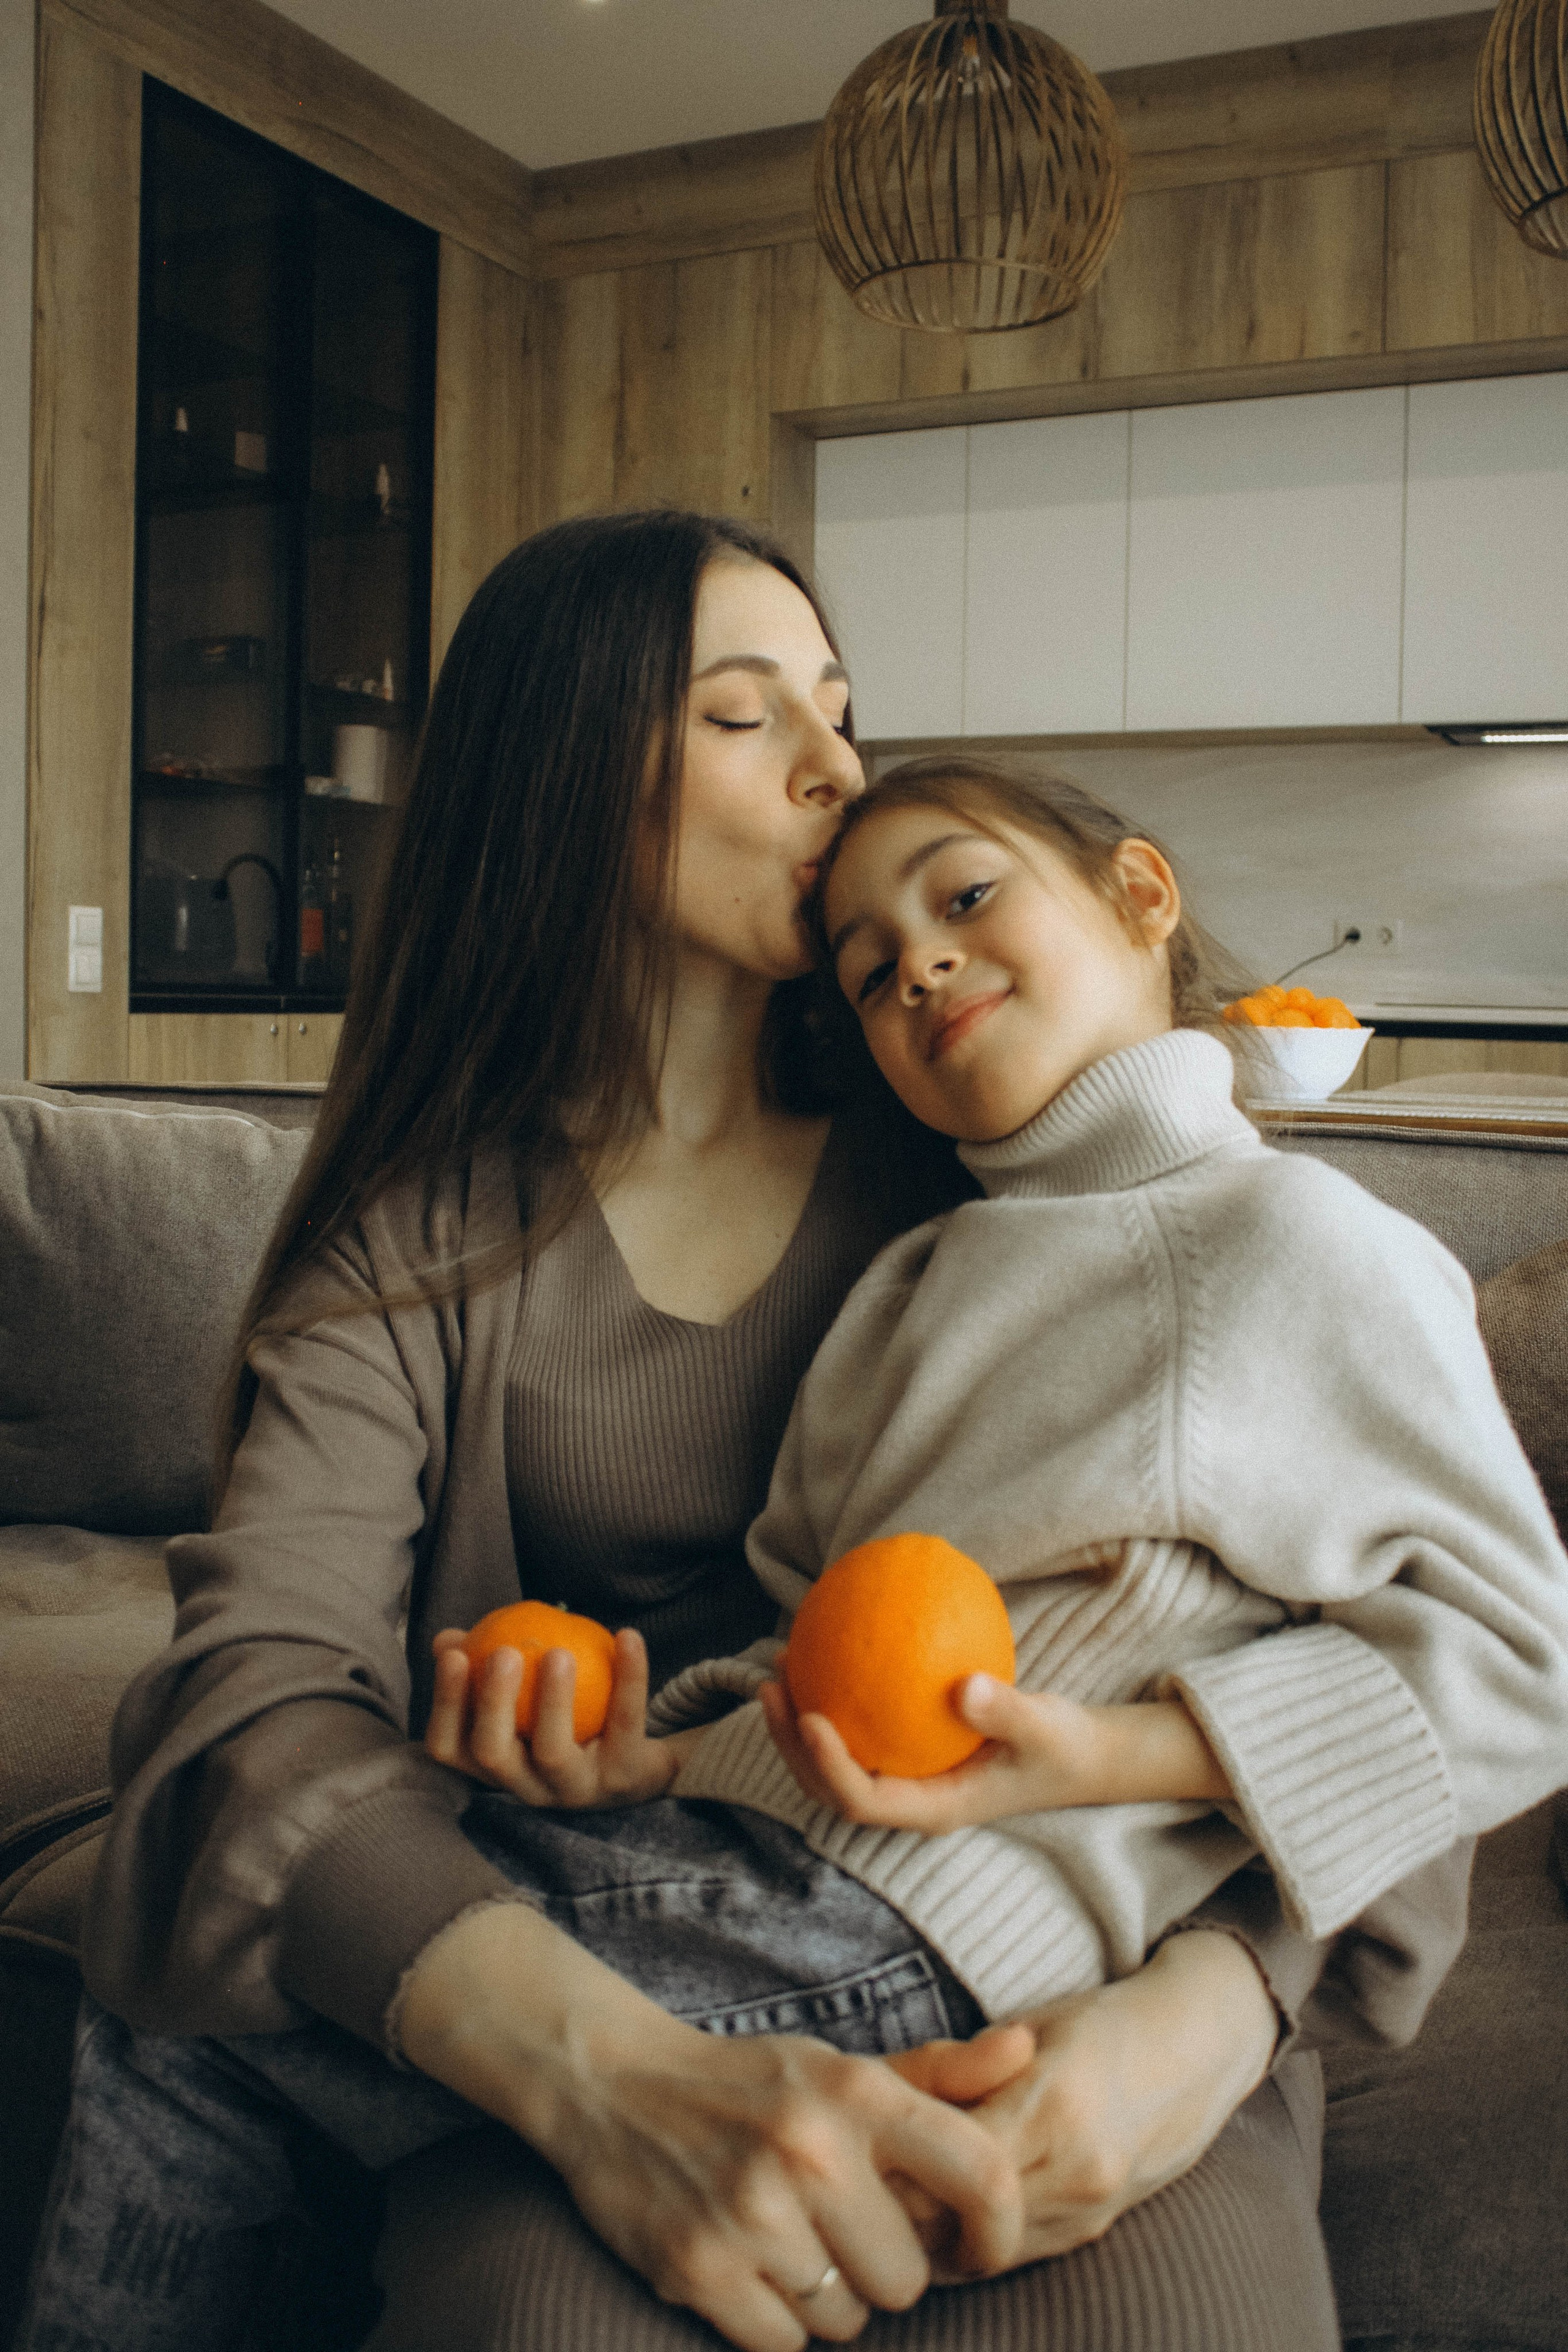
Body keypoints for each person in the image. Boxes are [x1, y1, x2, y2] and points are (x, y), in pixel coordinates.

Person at [21, 515, 1479, 2352]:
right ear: (565, 775)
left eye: (842, 708)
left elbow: (1424, 1639)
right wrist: (603, 2077)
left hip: (1089, 1983)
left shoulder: (1008, 1151)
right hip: (620, 1968)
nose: (838, 767)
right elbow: (253, 1701)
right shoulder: (417, 1238)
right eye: (742, 715)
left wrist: (1216, 2016)